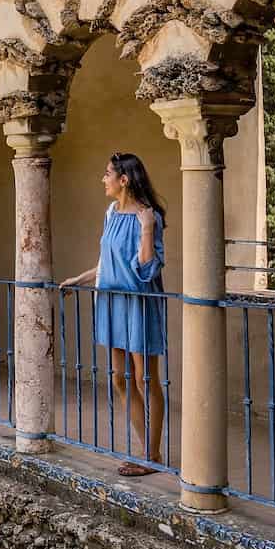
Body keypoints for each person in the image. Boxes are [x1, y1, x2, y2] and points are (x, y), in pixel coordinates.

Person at [60, 151, 167, 477]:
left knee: (144, 378)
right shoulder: (111, 213)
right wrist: (80, 278)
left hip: (138, 302)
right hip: (111, 301)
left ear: (124, 179)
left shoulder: (148, 217)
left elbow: (147, 268)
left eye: (107, 174)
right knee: (120, 379)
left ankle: (151, 455)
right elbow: (108, 263)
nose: (102, 179)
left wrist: (147, 229)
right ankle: (144, 450)